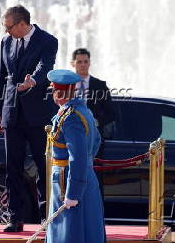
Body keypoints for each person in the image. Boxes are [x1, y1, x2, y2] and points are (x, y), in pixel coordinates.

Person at [0, 5, 58, 232]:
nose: (6, 31)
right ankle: (15, 218)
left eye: (9, 27)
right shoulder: (6, 42)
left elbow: (45, 66)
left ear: (22, 24)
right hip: (12, 113)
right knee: (13, 169)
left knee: (43, 167)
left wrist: (33, 81)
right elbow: (1, 77)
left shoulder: (48, 40)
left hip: (38, 115)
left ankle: (46, 218)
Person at [46, 69, 106, 243]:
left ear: (59, 92)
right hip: (83, 177)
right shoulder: (83, 111)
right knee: (87, 231)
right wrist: (87, 163)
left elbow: (77, 156)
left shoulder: (70, 117)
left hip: (68, 182)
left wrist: (72, 193)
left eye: (53, 90)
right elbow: (96, 142)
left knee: (68, 234)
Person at [71, 48, 115, 139]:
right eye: (79, 62)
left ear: (89, 63)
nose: (83, 65)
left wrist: (97, 122)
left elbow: (111, 113)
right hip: (71, 135)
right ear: (72, 63)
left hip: (94, 137)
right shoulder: (66, 84)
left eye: (85, 61)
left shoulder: (100, 86)